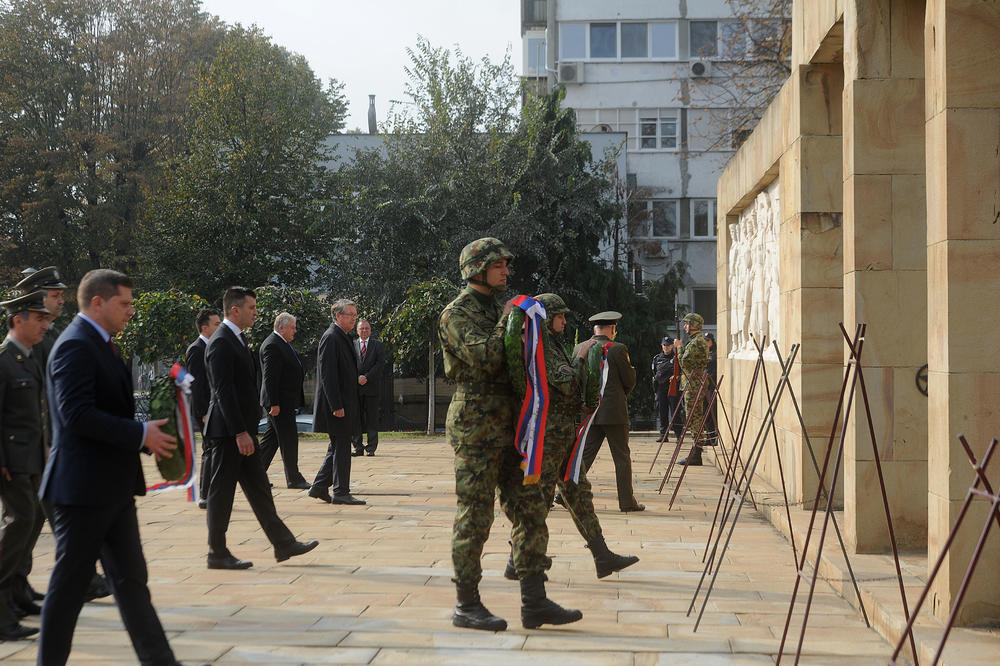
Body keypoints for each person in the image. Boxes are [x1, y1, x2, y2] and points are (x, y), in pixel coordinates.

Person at [37, 269, 180, 665]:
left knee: (132, 583)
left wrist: (155, 436)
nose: (131, 311)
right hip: (81, 491)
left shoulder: (103, 344)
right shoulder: (75, 346)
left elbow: (111, 409)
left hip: (111, 488)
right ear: (97, 303)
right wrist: (139, 434)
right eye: (125, 303)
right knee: (67, 591)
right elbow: (76, 415)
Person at [440, 237, 581, 632]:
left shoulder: (500, 309)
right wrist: (510, 319)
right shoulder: (456, 314)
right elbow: (486, 358)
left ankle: (534, 601)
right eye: (498, 265)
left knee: (531, 509)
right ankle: (466, 604)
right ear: (476, 269)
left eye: (506, 264)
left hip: (514, 428)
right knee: (476, 515)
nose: (506, 271)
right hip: (477, 428)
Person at [503, 293, 638, 581]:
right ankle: (517, 560)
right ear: (547, 319)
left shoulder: (554, 345)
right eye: (560, 316)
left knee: (579, 494)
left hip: (563, 435)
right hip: (548, 438)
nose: (565, 320)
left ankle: (602, 555)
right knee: (538, 500)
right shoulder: (542, 347)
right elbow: (564, 383)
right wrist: (580, 358)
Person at [203, 286, 318, 570]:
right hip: (230, 433)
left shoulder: (237, 339)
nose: (256, 313)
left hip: (242, 430)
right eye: (252, 308)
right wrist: (240, 432)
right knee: (221, 493)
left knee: (259, 489)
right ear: (235, 309)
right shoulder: (221, 342)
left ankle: (283, 543)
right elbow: (223, 391)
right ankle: (217, 552)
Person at [0, 291, 50, 640]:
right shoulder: (4, 359)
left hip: (31, 457)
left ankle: (16, 593)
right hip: (11, 461)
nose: (46, 324)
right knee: (20, 522)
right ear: (19, 320)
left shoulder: (28, 358)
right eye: (39, 318)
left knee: (33, 518)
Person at [575, 312, 644, 512]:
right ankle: (626, 501)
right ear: (612, 329)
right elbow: (629, 380)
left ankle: (565, 493)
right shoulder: (618, 349)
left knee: (585, 455)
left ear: (594, 329)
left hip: (589, 412)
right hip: (614, 412)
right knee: (621, 457)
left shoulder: (580, 348)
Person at [309, 299, 365, 505]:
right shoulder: (331, 337)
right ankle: (341, 491)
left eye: (355, 314)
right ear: (339, 316)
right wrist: (337, 406)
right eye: (351, 314)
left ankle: (320, 486)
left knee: (337, 445)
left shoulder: (341, 336)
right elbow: (328, 375)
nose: (354, 318)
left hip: (344, 403)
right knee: (341, 447)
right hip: (337, 405)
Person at [258, 312, 309, 488]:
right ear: (281, 327)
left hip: (284, 401)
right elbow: (270, 377)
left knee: (271, 441)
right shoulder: (273, 345)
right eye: (292, 327)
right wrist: (274, 403)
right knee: (288, 439)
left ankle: (255, 475)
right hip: (279, 402)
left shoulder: (282, 343)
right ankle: (294, 478)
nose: (295, 330)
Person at [186, 308, 221, 509]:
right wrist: (203, 413)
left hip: (214, 408)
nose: (219, 327)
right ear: (205, 327)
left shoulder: (211, 347)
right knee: (209, 450)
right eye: (216, 324)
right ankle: (205, 495)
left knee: (215, 450)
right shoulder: (197, 349)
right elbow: (196, 385)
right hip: (205, 410)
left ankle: (213, 492)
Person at [14, 266, 67, 371]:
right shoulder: (32, 338)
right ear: (38, 298)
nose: (61, 301)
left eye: (61, 295)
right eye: (55, 296)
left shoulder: (53, 332)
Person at [675, 313, 710, 466]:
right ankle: (696, 452)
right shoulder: (696, 341)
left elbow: (685, 363)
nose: (685, 326)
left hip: (694, 384)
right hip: (692, 383)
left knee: (694, 418)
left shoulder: (697, 342)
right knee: (692, 417)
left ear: (694, 325)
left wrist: (679, 348)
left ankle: (696, 454)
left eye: (687, 323)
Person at [351, 318, 384, 457]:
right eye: (361, 328)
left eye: (367, 328)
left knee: (372, 419)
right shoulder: (351, 345)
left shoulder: (377, 345)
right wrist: (357, 377)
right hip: (355, 388)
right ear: (357, 331)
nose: (364, 330)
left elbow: (380, 364)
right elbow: (349, 364)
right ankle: (357, 447)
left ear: (370, 330)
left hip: (371, 388)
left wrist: (367, 377)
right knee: (355, 418)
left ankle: (371, 448)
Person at [652, 336, 683, 441]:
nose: (666, 347)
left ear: (672, 346)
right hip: (661, 388)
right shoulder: (657, 358)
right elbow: (655, 372)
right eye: (664, 345)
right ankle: (663, 435)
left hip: (673, 387)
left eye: (668, 345)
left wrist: (677, 377)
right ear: (662, 345)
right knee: (662, 412)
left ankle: (679, 435)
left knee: (675, 412)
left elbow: (681, 372)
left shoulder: (677, 358)